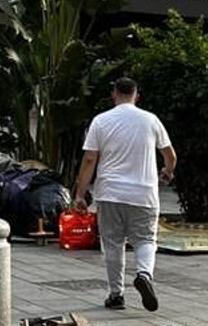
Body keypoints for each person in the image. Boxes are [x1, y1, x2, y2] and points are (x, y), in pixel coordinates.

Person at [72, 77, 176, 312]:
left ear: (114, 94)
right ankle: (144, 274)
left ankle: (116, 295)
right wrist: (167, 172)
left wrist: (80, 194)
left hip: (109, 193)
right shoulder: (151, 120)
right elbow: (170, 156)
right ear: (136, 96)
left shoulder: (101, 121)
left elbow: (90, 159)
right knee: (146, 240)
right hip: (144, 193)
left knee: (112, 244)